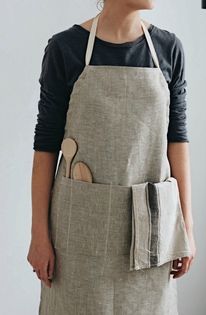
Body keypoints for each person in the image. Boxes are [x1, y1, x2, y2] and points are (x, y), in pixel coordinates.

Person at [27, 0, 196, 314]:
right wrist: (39, 234)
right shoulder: (66, 48)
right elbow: (45, 148)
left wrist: (186, 228)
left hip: (152, 230)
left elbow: (178, 143)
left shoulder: (168, 49)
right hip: (78, 232)